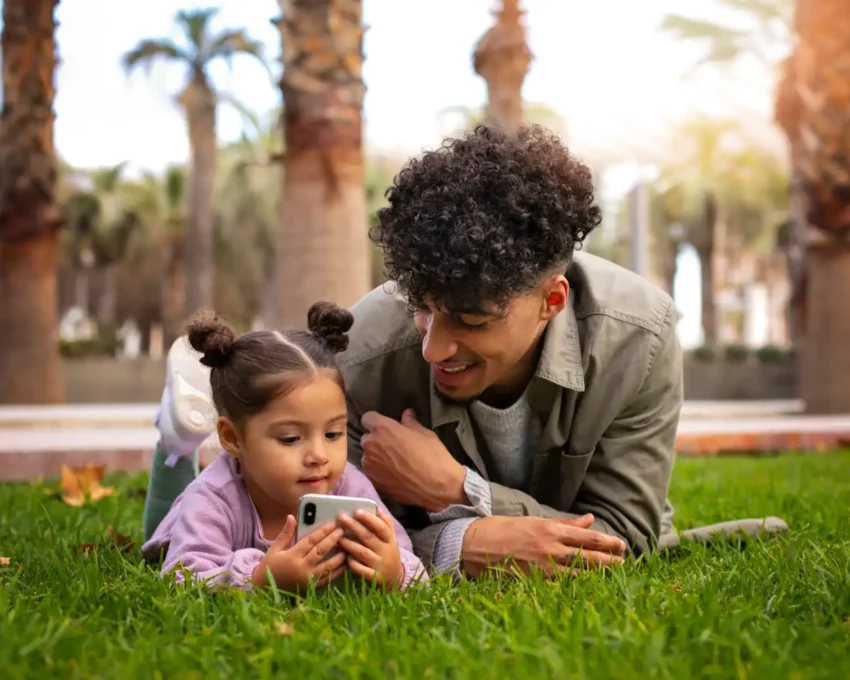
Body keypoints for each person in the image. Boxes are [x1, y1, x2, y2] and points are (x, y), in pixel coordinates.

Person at [144, 124, 787, 580]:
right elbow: (344, 520)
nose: (434, 345)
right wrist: (462, 545)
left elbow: (624, 535)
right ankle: (171, 448)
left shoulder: (637, 339)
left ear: (551, 300)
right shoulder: (366, 352)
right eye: (422, 306)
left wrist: (461, 492)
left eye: (472, 320)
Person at [141, 302, 427, 592]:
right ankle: (174, 442)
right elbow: (182, 576)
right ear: (232, 438)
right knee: (158, 527)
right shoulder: (212, 498)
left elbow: (410, 562)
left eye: (333, 434)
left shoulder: (349, 486)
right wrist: (258, 580)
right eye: (290, 438)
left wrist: (396, 571)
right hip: (182, 519)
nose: (319, 456)